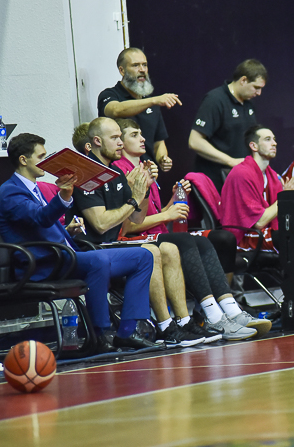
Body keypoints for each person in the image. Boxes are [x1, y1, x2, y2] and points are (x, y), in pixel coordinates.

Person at [0, 133, 160, 353]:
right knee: (98, 260)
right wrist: (63, 197)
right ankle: (101, 334)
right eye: (40, 157)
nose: (45, 162)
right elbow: (40, 218)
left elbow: (37, 226)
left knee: (143, 256)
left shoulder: (32, 188)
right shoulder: (10, 191)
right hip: (43, 264)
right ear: (23, 160)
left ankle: (127, 332)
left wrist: (66, 230)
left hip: (64, 257)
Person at [113, 119, 263, 339]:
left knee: (217, 238)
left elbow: (150, 214)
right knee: (187, 241)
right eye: (134, 135)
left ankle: (229, 309)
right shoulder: (121, 172)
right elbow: (128, 225)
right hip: (137, 240)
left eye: (141, 133)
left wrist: (171, 203)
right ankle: (213, 316)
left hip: (156, 232)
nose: (143, 139)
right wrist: (168, 215)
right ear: (121, 142)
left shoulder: (145, 167)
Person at [72, 118, 210, 348]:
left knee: (168, 249)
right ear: (97, 141)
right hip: (91, 248)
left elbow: (136, 217)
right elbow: (101, 224)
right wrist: (134, 199)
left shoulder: (115, 172)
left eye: (120, 137)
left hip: (112, 246)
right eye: (115, 138)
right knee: (150, 253)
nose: (120, 143)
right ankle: (162, 326)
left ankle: (180, 322)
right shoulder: (87, 174)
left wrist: (144, 189)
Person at [222, 125, 294, 254]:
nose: (274, 143)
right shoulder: (241, 173)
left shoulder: (272, 175)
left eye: (274, 139)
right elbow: (259, 222)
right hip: (244, 236)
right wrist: (285, 197)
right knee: (293, 237)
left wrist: (293, 196)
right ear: (254, 146)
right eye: (268, 139)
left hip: (263, 232)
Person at [189, 59, 266, 192]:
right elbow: (194, 141)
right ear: (243, 80)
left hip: (240, 181)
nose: (259, 93)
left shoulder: (249, 104)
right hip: (214, 182)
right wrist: (230, 161)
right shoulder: (215, 100)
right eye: (256, 87)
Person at [98, 48, 180, 170]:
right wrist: (153, 101)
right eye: (135, 65)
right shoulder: (110, 95)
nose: (142, 70)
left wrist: (163, 159)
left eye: (144, 65)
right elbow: (115, 110)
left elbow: (158, 142)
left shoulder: (152, 103)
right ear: (122, 70)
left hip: (148, 172)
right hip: (120, 172)